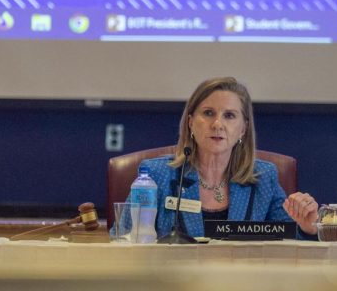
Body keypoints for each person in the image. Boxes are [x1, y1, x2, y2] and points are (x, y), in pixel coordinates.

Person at [129, 77, 319, 239]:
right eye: (208, 113)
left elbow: (289, 237)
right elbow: (125, 235)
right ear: (190, 122)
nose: (218, 124)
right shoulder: (157, 175)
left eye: (229, 115)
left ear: (243, 128)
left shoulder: (263, 178)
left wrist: (306, 227)